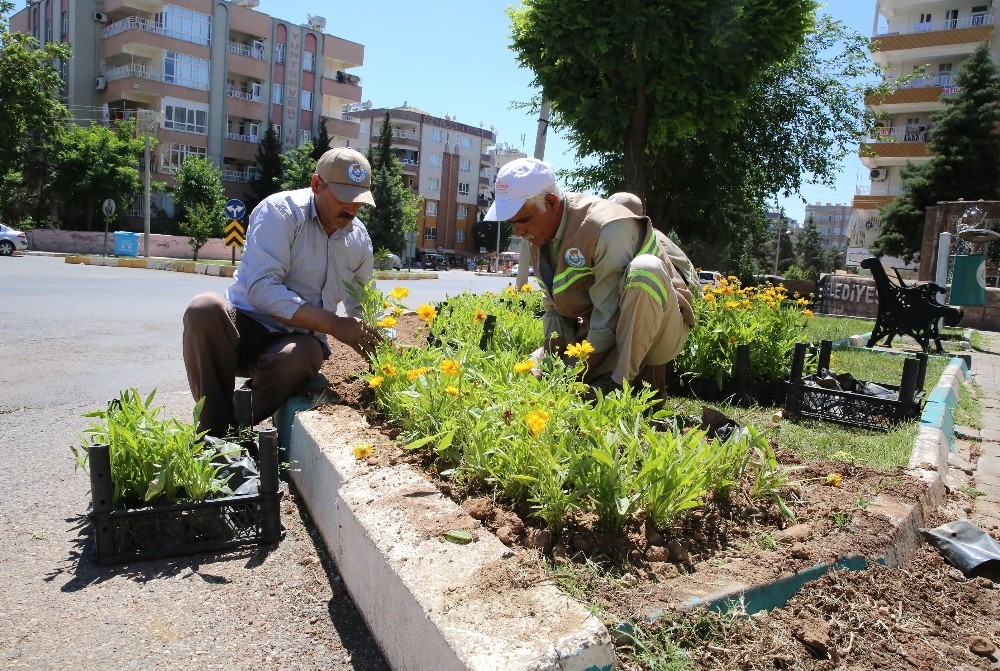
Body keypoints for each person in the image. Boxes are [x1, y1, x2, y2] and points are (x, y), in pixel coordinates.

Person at [183, 147, 383, 437]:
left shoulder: (358, 239)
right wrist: (336, 325)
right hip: (246, 329)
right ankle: (210, 433)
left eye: (359, 201)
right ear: (317, 185)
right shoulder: (281, 212)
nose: (351, 209)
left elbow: (364, 304)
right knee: (203, 308)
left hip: (300, 342)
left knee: (296, 358)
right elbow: (262, 289)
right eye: (343, 198)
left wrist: (385, 355)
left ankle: (231, 432)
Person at [485, 158, 697, 396]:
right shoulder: (542, 237)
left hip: (660, 331)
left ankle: (618, 386)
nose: (518, 231)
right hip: (603, 331)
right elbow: (554, 310)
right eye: (512, 223)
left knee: (645, 270)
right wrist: (551, 369)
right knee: (532, 367)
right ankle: (599, 379)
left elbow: (608, 320)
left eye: (523, 220)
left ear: (551, 202)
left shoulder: (606, 228)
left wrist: (572, 379)